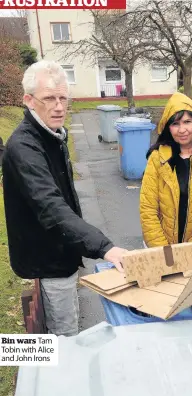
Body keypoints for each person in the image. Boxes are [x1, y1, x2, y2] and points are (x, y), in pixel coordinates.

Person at [2, 60, 127, 337]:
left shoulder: (52, 135)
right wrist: (105, 247)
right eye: (49, 98)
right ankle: (58, 377)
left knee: (67, 330)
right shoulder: (24, 147)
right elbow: (52, 207)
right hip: (48, 262)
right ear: (29, 101)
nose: (59, 106)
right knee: (65, 339)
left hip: (61, 253)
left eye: (63, 98)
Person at [140, 92, 192, 247]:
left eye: (187, 122)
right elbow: (148, 209)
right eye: (175, 124)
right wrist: (164, 251)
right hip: (160, 246)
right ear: (168, 128)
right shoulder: (157, 158)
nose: (182, 130)